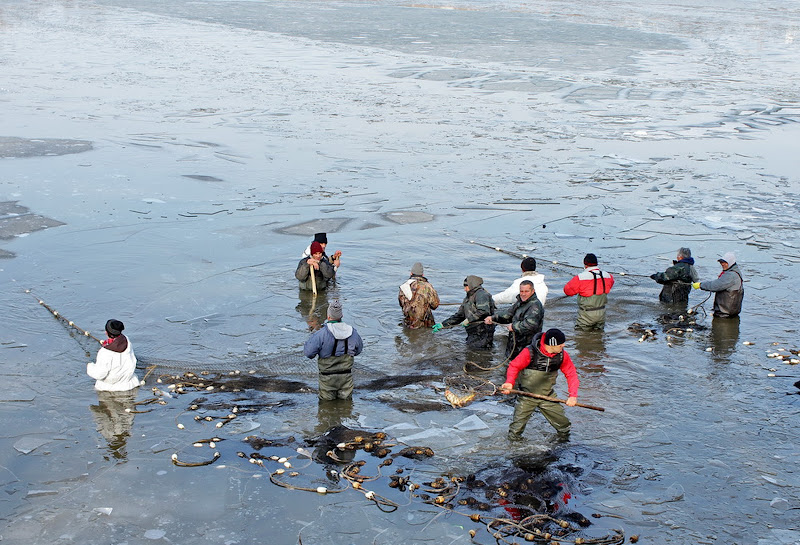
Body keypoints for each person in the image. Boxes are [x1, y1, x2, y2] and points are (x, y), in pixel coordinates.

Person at [500, 328, 579, 441]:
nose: (563, 346)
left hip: (548, 396)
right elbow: (514, 366)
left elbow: (571, 375)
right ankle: (514, 449)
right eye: (561, 345)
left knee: (564, 426)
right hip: (526, 396)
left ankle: (563, 444)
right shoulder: (529, 352)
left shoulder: (562, 356)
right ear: (552, 344)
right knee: (515, 430)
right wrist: (509, 382)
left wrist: (573, 396)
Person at [303, 300, 363, 400]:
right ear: (341, 315)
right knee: (346, 404)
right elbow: (358, 350)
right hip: (346, 376)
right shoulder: (353, 332)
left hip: (327, 379)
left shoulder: (320, 334)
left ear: (328, 316)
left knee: (326, 406)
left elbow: (309, 353)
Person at [485, 280, 544, 360]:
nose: (523, 294)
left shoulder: (535, 306)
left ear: (533, 291)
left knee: (520, 368)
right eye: (521, 291)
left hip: (527, 347)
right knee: (509, 366)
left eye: (526, 291)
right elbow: (508, 314)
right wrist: (493, 318)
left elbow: (530, 325)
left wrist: (513, 327)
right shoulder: (520, 302)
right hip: (515, 344)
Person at [433, 275, 496, 349]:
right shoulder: (468, 297)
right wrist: (443, 324)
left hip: (483, 331)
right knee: (470, 350)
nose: (464, 289)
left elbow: (483, 311)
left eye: (465, 286)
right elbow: (460, 315)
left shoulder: (481, 294)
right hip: (473, 331)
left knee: (479, 351)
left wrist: (469, 320)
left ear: (471, 285)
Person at [563, 253, 614, 330]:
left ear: (585, 264)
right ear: (596, 263)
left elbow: (567, 291)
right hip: (601, 313)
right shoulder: (608, 276)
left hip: (586, 315)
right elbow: (610, 284)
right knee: (599, 335)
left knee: (581, 335)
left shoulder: (580, 277)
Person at [86, 319, 140, 392]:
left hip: (109, 389)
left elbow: (100, 374)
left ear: (106, 333)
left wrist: (90, 367)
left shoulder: (105, 352)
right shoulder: (127, 341)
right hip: (130, 384)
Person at [692, 252, 744, 318]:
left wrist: (700, 285)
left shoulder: (731, 275)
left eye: (725, 262)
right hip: (732, 313)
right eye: (721, 262)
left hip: (725, 315)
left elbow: (715, 286)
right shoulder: (736, 272)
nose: (722, 264)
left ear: (731, 263)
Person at [398, 262, 440, 329]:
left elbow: (401, 304)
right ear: (422, 274)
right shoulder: (428, 286)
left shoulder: (404, 287)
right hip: (425, 323)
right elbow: (435, 305)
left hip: (408, 323)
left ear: (411, 273)